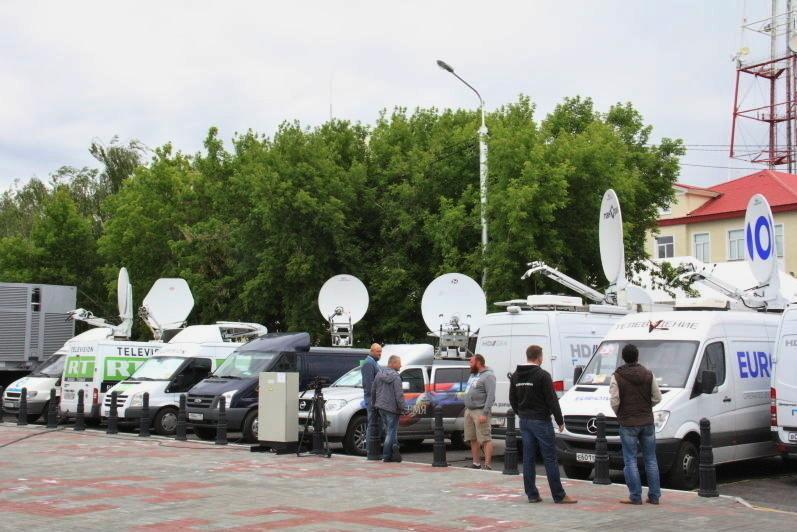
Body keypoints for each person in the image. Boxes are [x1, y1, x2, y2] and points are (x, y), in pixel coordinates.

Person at [509, 345, 577, 504]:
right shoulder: (542, 375)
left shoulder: (516, 376)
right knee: (550, 458)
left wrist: (521, 413)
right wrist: (560, 421)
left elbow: (512, 399)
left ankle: (532, 494)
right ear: (539, 357)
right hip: (541, 420)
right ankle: (559, 495)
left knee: (528, 458)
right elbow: (552, 400)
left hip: (525, 421)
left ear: (527, 356)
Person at [610, 343, 662, 505]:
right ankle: (654, 496)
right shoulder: (648, 374)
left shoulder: (617, 376)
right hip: (647, 421)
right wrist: (646, 408)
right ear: (637, 356)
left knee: (630, 460)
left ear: (623, 358)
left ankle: (635, 496)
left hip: (628, 423)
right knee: (651, 459)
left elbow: (614, 401)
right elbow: (657, 397)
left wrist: (620, 413)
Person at [463, 354, 496, 470]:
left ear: (478, 362)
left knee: (485, 438)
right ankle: (476, 463)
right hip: (469, 410)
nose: (469, 365)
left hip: (480, 411)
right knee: (472, 438)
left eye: (471, 362)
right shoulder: (473, 375)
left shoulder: (488, 376)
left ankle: (487, 464)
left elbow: (491, 396)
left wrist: (485, 413)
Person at [370, 354, 406, 462]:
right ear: (393, 363)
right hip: (392, 408)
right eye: (399, 363)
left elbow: (373, 390)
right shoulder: (396, 377)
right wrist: (403, 408)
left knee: (390, 431)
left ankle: (394, 452)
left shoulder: (379, 374)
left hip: (381, 407)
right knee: (391, 431)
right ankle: (386, 455)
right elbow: (399, 395)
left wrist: (374, 403)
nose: (401, 365)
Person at [361, 343, 382, 448]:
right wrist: (374, 400)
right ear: (372, 351)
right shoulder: (368, 363)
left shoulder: (373, 362)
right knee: (372, 425)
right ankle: (370, 449)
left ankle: (374, 449)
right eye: (378, 351)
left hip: (375, 399)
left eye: (381, 351)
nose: (380, 354)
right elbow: (369, 384)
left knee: (376, 425)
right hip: (373, 400)